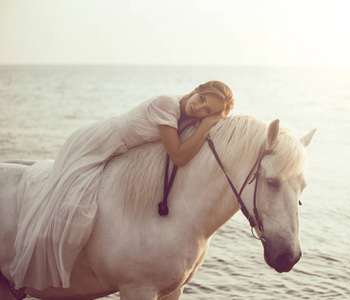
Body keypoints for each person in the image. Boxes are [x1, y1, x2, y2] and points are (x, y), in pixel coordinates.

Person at [10, 80, 234, 290]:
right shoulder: (166, 104)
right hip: (96, 145)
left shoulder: (187, 117)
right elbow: (178, 156)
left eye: (208, 111)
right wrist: (206, 126)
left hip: (119, 154)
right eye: (202, 98)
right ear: (197, 89)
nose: (199, 107)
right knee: (73, 203)